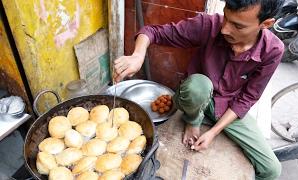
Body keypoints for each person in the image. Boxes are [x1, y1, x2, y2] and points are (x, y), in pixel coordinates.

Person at [114, 0, 284, 179]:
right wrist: (137, 55)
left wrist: (213, 132)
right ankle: (193, 119)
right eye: (226, 17)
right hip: (194, 98)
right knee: (199, 86)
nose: (225, 29)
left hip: (229, 107)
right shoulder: (210, 26)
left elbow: (248, 98)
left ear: (265, 24)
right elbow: (152, 32)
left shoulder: (273, 50)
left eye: (238, 26)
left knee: (272, 170)